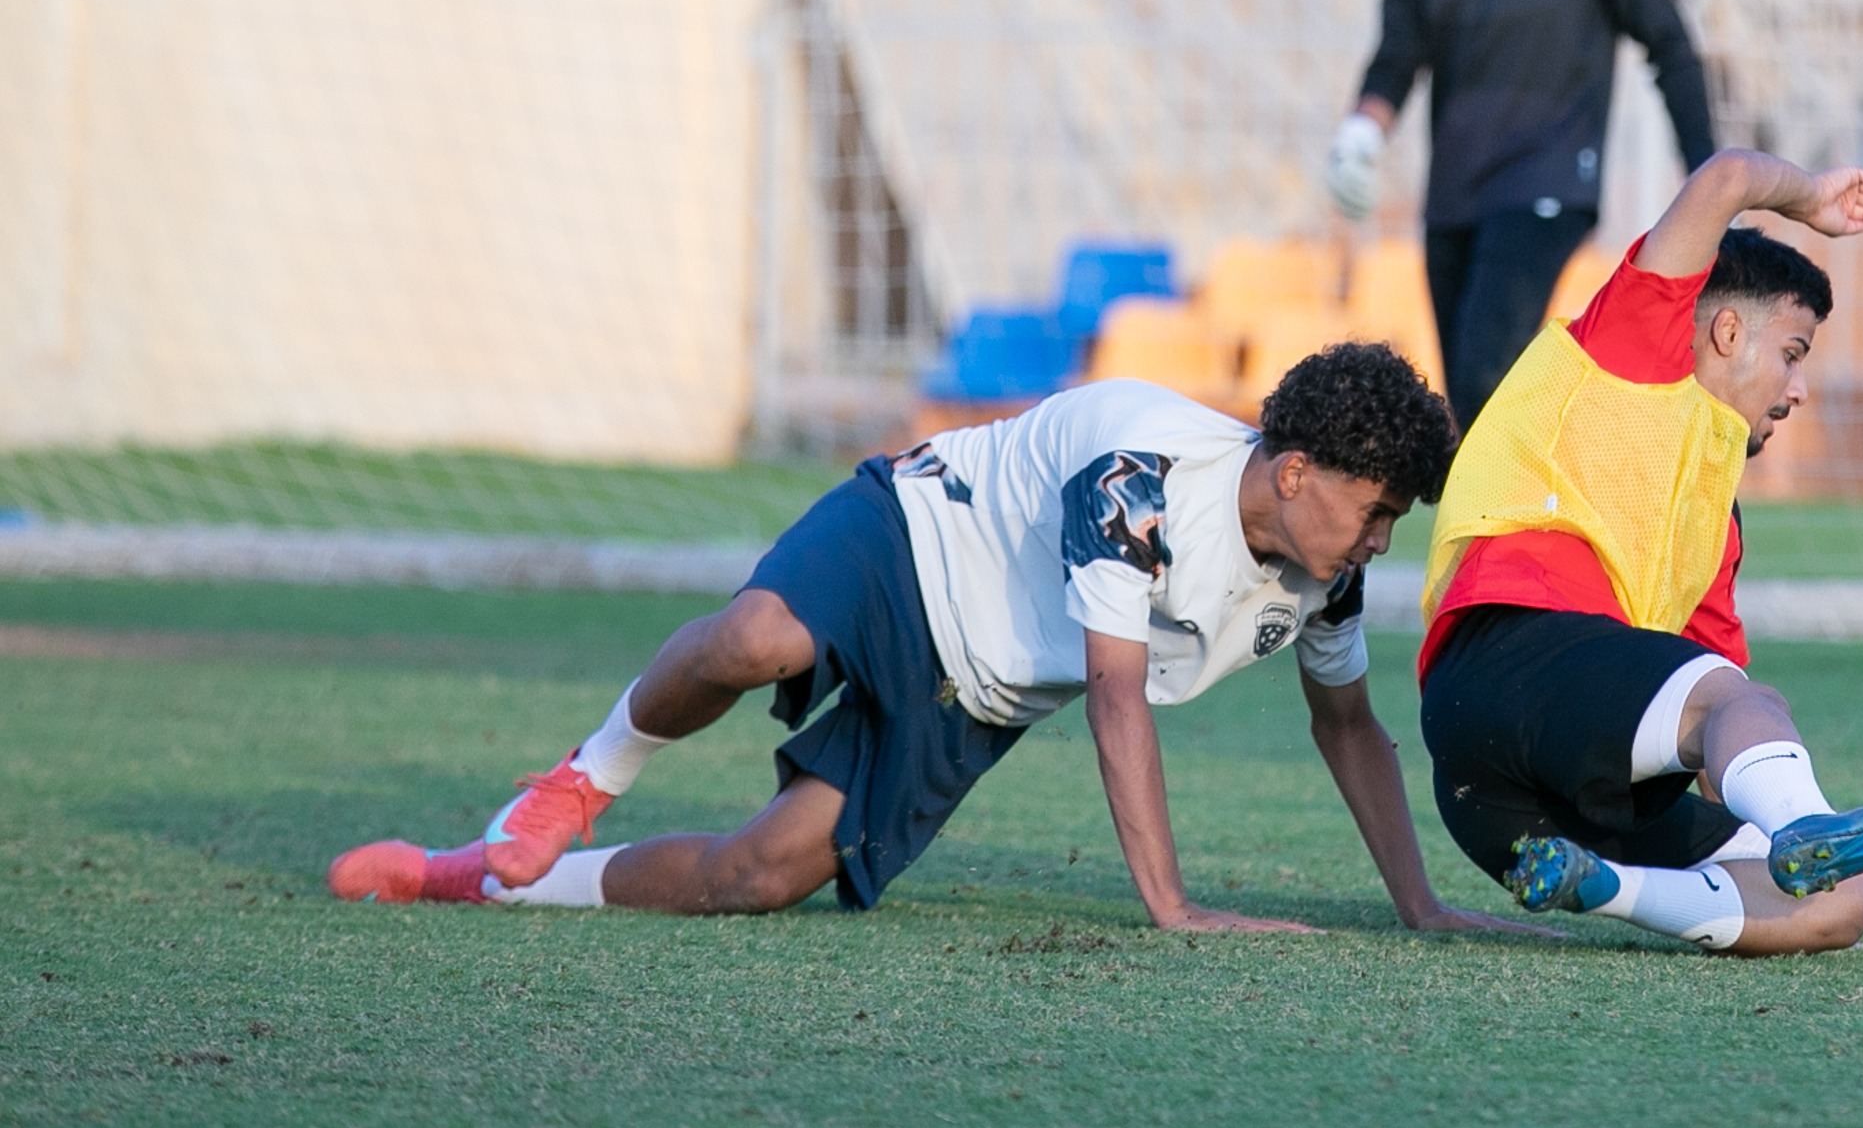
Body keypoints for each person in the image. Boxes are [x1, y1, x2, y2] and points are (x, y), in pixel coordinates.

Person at [328, 344, 1532, 937]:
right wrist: (1172, 907)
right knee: (757, 636)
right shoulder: (1145, 481)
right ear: (1296, 469)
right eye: (1376, 510)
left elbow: (1349, 729)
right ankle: (581, 781)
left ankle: (473, 877)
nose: (1385, 538)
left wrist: (1419, 906)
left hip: (981, 691)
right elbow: (1116, 695)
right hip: (912, 538)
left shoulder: (1321, 582)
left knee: (759, 879)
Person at [1415, 145, 1863, 956]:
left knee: (1840, 904)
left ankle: (1608, 889)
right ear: (1726, 331)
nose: (1798, 390)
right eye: (1793, 354)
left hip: (1507, 810)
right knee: (1746, 704)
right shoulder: (1636, 350)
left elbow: (1712, 732)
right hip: (1508, 659)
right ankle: (1805, 823)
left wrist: (1749, 798)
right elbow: (1726, 178)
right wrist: (1811, 198)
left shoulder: (1714, 523)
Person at [1328, 0, 1717, 436]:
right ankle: (1501, 536)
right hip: (1456, 190)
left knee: (1488, 370)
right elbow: (1396, 57)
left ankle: (1547, 523)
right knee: (1469, 402)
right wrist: (1361, 133)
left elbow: (1669, 44)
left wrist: (1711, 176)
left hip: (1550, 177)